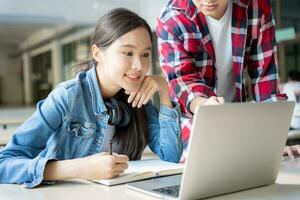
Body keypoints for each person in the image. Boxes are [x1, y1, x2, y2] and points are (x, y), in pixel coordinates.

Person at [0, 8, 183, 188]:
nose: (139, 65)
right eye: (127, 53)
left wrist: (164, 91)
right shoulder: (68, 96)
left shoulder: (139, 96)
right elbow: (4, 164)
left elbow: (170, 157)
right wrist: (79, 168)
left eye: (145, 54)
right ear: (97, 53)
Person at [156, 0, 299, 158]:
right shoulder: (171, 18)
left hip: (238, 126)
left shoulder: (257, 6)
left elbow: (265, 79)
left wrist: (274, 143)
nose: (208, 0)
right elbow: (182, 80)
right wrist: (205, 107)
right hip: (194, 128)